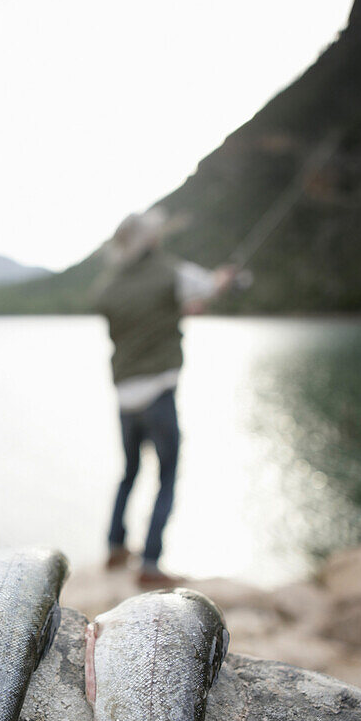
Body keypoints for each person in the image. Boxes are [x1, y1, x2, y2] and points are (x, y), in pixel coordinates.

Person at [93, 206, 239, 585]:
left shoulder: (110, 287)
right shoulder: (171, 272)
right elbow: (210, 286)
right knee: (168, 474)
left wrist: (174, 310)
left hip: (124, 397)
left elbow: (137, 321)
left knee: (129, 472)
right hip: (158, 394)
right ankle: (151, 562)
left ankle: (114, 547)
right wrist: (223, 278)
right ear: (151, 239)